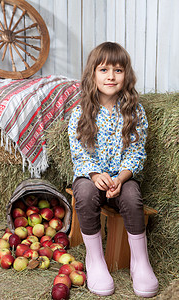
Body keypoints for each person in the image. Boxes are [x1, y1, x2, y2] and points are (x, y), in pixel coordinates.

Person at [68, 42, 159, 297]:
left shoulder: (134, 111)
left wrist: (121, 177)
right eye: (104, 69)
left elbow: (136, 152)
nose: (110, 76)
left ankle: (140, 262)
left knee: (131, 197)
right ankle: (95, 260)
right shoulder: (81, 112)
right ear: (92, 74)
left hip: (122, 176)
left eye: (118, 70)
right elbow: (80, 153)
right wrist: (96, 175)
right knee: (84, 195)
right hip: (91, 176)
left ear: (126, 76)